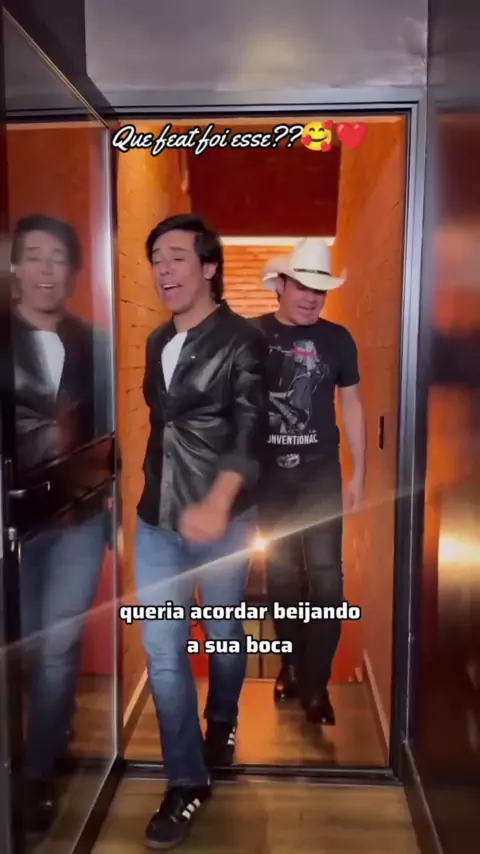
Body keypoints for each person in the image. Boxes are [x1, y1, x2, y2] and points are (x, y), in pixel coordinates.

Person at [135, 213, 268, 849]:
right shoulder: (155, 340)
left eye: (177, 257)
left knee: (222, 632)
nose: (164, 269)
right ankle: (186, 782)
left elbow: (249, 430)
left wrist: (217, 501)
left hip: (224, 520)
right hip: (156, 523)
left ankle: (223, 719)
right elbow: (163, 429)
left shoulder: (243, 341)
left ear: (209, 267)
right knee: (163, 653)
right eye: (157, 259)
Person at [10, 214, 111, 840]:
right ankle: (46, 730)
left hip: (79, 519)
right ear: (15, 267)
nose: (46, 269)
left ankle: (37, 775)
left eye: (57, 257)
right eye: (34, 255)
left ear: (72, 271)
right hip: (13, 524)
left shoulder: (93, 342)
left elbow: (108, 430)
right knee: (22, 649)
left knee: (56, 646)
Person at [251, 237, 365, 726]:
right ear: (280, 284)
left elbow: (352, 403)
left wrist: (359, 472)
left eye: (320, 289)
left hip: (320, 476)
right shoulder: (252, 335)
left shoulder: (338, 340)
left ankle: (317, 687)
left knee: (326, 582)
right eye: (302, 286)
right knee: (280, 579)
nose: (311, 297)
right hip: (268, 481)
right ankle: (292, 666)